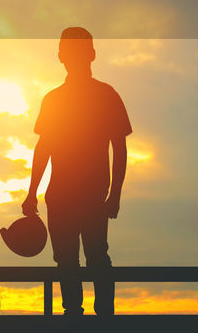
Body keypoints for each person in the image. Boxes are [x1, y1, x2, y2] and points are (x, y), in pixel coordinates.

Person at [22, 27, 131, 316]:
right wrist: (32, 192)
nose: (75, 58)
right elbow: (43, 148)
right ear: (61, 57)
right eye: (71, 53)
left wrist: (115, 195)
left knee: (94, 258)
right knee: (69, 260)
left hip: (92, 195)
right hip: (60, 196)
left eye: (79, 52)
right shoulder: (55, 99)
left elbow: (119, 149)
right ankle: (76, 318)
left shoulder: (106, 95)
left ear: (92, 55)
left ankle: (101, 316)